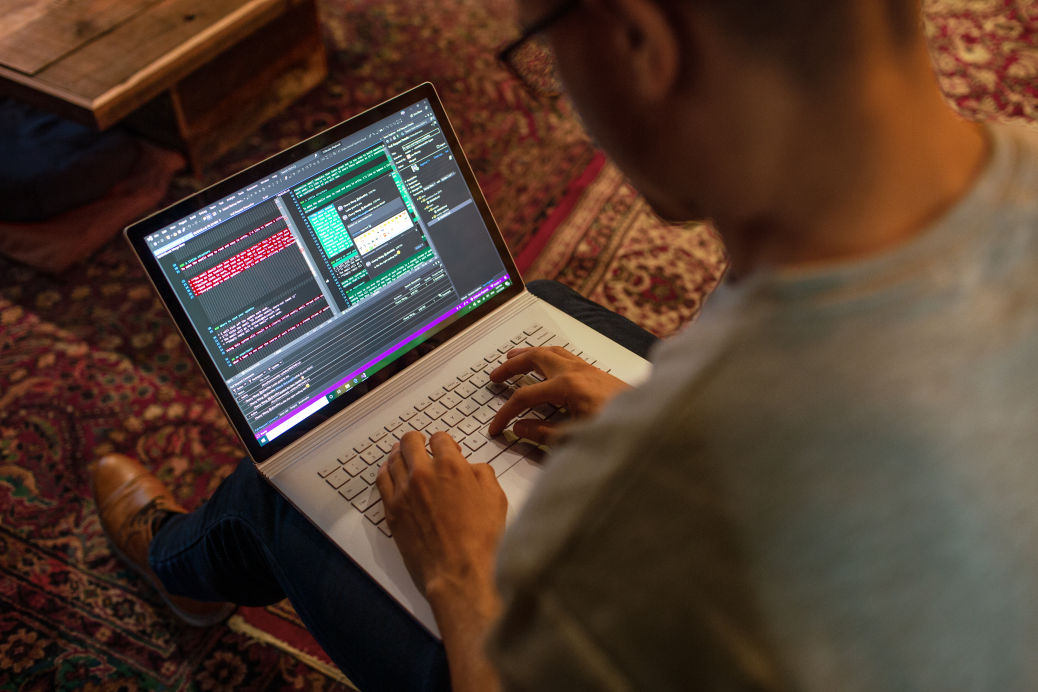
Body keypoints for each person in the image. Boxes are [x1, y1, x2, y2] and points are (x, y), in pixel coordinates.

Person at [93, 0, 1038, 689]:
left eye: (537, 45)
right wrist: (646, 416)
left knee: (275, 494)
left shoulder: (649, 530)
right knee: (536, 304)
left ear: (642, 42)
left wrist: (463, 580)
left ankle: (178, 564)